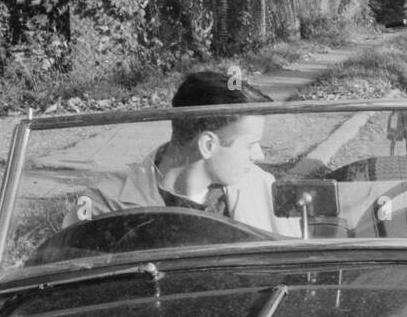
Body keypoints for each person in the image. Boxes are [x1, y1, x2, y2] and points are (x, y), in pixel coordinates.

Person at [76, 70, 300, 237]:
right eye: (250, 144)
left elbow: (294, 274)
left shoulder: (261, 188)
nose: (259, 156)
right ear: (208, 145)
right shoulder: (104, 205)